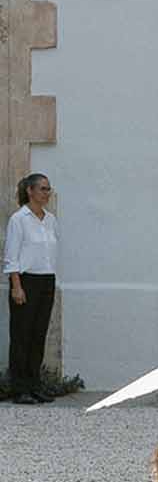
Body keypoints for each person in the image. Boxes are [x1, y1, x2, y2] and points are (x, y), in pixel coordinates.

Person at [4, 172, 59, 404]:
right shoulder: (19, 219)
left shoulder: (50, 219)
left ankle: (35, 385)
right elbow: (11, 256)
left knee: (38, 335)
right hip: (26, 281)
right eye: (43, 189)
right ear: (31, 191)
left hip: (47, 280)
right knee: (21, 336)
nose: (47, 193)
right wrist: (17, 286)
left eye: (48, 189)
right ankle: (19, 388)